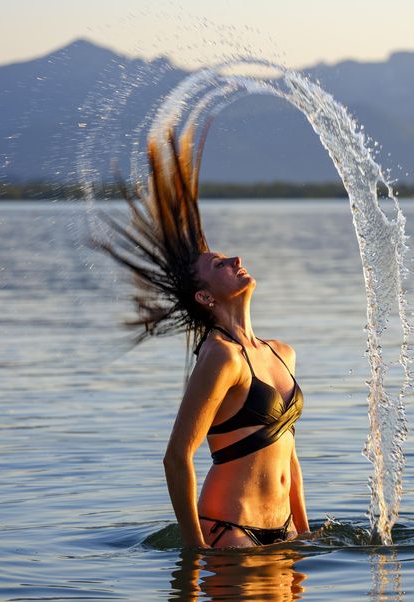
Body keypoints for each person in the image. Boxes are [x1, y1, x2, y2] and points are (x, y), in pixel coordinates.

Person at [95, 126, 309, 548]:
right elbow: (177, 456)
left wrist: (304, 535)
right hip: (231, 532)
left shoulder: (282, 353)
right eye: (218, 264)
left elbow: (290, 455)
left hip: (284, 533)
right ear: (205, 296)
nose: (235, 259)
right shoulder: (221, 358)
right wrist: (196, 550)